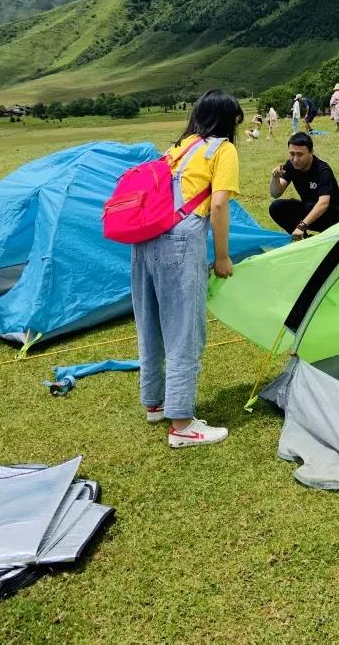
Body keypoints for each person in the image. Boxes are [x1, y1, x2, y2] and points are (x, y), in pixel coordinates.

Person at [133, 89, 242, 448]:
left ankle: (155, 402)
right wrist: (222, 256)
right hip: (179, 242)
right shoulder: (222, 150)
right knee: (183, 329)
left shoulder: (179, 147)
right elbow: (220, 206)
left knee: (150, 323)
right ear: (229, 121)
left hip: (145, 238)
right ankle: (182, 425)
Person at [269, 132, 339, 239]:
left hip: (335, 216)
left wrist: (302, 225)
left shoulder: (322, 170)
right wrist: (275, 178)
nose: (295, 159)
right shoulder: (291, 165)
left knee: (311, 205)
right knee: (276, 207)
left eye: (300, 154)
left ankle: (306, 233)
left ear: (311, 152)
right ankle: (303, 239)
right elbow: (275, 193)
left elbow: (323, 203)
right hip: (311, 210)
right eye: (292, 154)